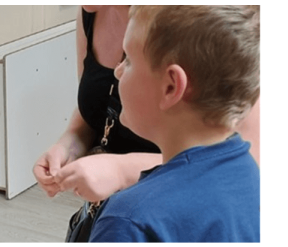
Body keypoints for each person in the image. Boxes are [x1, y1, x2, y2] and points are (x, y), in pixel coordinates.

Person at [32, 5, 260, 204]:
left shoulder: (214, 24)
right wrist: (68, 146)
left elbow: (244, 161)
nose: (118, 71)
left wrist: (122, 170)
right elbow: (97, 106)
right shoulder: (91, 11)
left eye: (129, 62)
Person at [89, 5, 259, 242]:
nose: (117, 72)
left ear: (171, 87)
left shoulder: (128, 220)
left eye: (128, 59)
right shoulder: (251, 174)